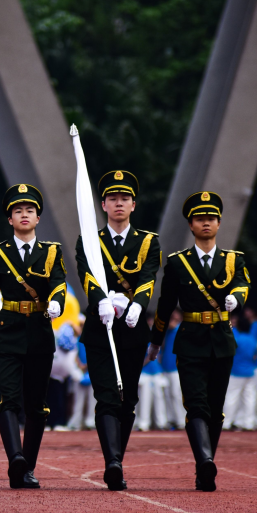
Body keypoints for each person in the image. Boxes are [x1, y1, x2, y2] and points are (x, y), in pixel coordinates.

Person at [0, 184, 67, 489]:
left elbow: (59, 282)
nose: (24, 215)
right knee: (8, 399)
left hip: (40, 332)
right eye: (18, 211)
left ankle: (27, 468)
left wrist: (57, 301)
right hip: (8, 332)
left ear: (38, 218)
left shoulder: (51, 251)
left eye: (29, 210)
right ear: (10, 219)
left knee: (36, 405)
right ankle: (15, 458)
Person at [150, 191, 251, 492]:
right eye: (199, 218)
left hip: (221, 339)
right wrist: (156, 341)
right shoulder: (177, 262)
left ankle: (205, 467)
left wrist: (236, 299)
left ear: (219, 223)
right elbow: (165, 304)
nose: (205, 222)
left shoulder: (233, 260)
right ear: (191, 224)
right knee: (196, 405)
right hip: (191, 340)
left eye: (211, 218)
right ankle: (205, 460)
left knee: (215, 409)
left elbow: (243, 284)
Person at [74, 169, 161, 490]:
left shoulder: (148, 242)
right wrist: (100, 301)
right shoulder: (89, 240)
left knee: (128, 400)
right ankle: (112, 463)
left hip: (132, 329)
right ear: (103, 205)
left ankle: (117, 459)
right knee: (107, 396)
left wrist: (137, 305)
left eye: (125, 198)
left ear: (133, 205)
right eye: (113, 199)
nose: (119, 203)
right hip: (101, 328)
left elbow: (148, 277)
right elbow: (87, 276)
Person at [223, 310, 257, 430]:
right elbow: (255, 355)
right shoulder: (253, 340)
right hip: (250, 372)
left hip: (236, 372)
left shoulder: (236, 339)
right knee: (250, 398)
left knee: (231, 398)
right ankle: (249, 423)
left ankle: (226, 422)